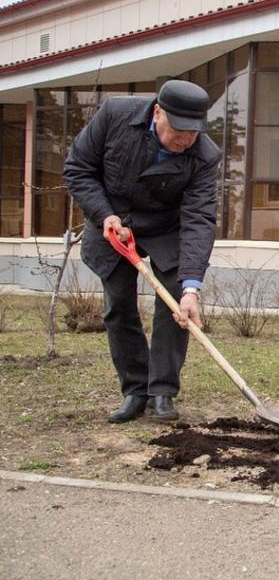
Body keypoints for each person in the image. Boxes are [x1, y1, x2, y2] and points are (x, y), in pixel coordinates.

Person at [64, 79, 222, 423]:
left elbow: (199, 218)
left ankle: (162, 391)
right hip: (113, 222)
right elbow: (78, 169)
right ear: (157, 112)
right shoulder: (115, 115)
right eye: (178, 130)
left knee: (175, 303)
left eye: (193, 132)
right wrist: (105, 214)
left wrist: (192, 287)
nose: (185, 139)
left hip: (167, 229)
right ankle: (135, 390)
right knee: (119, 306)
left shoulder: (205, 156)